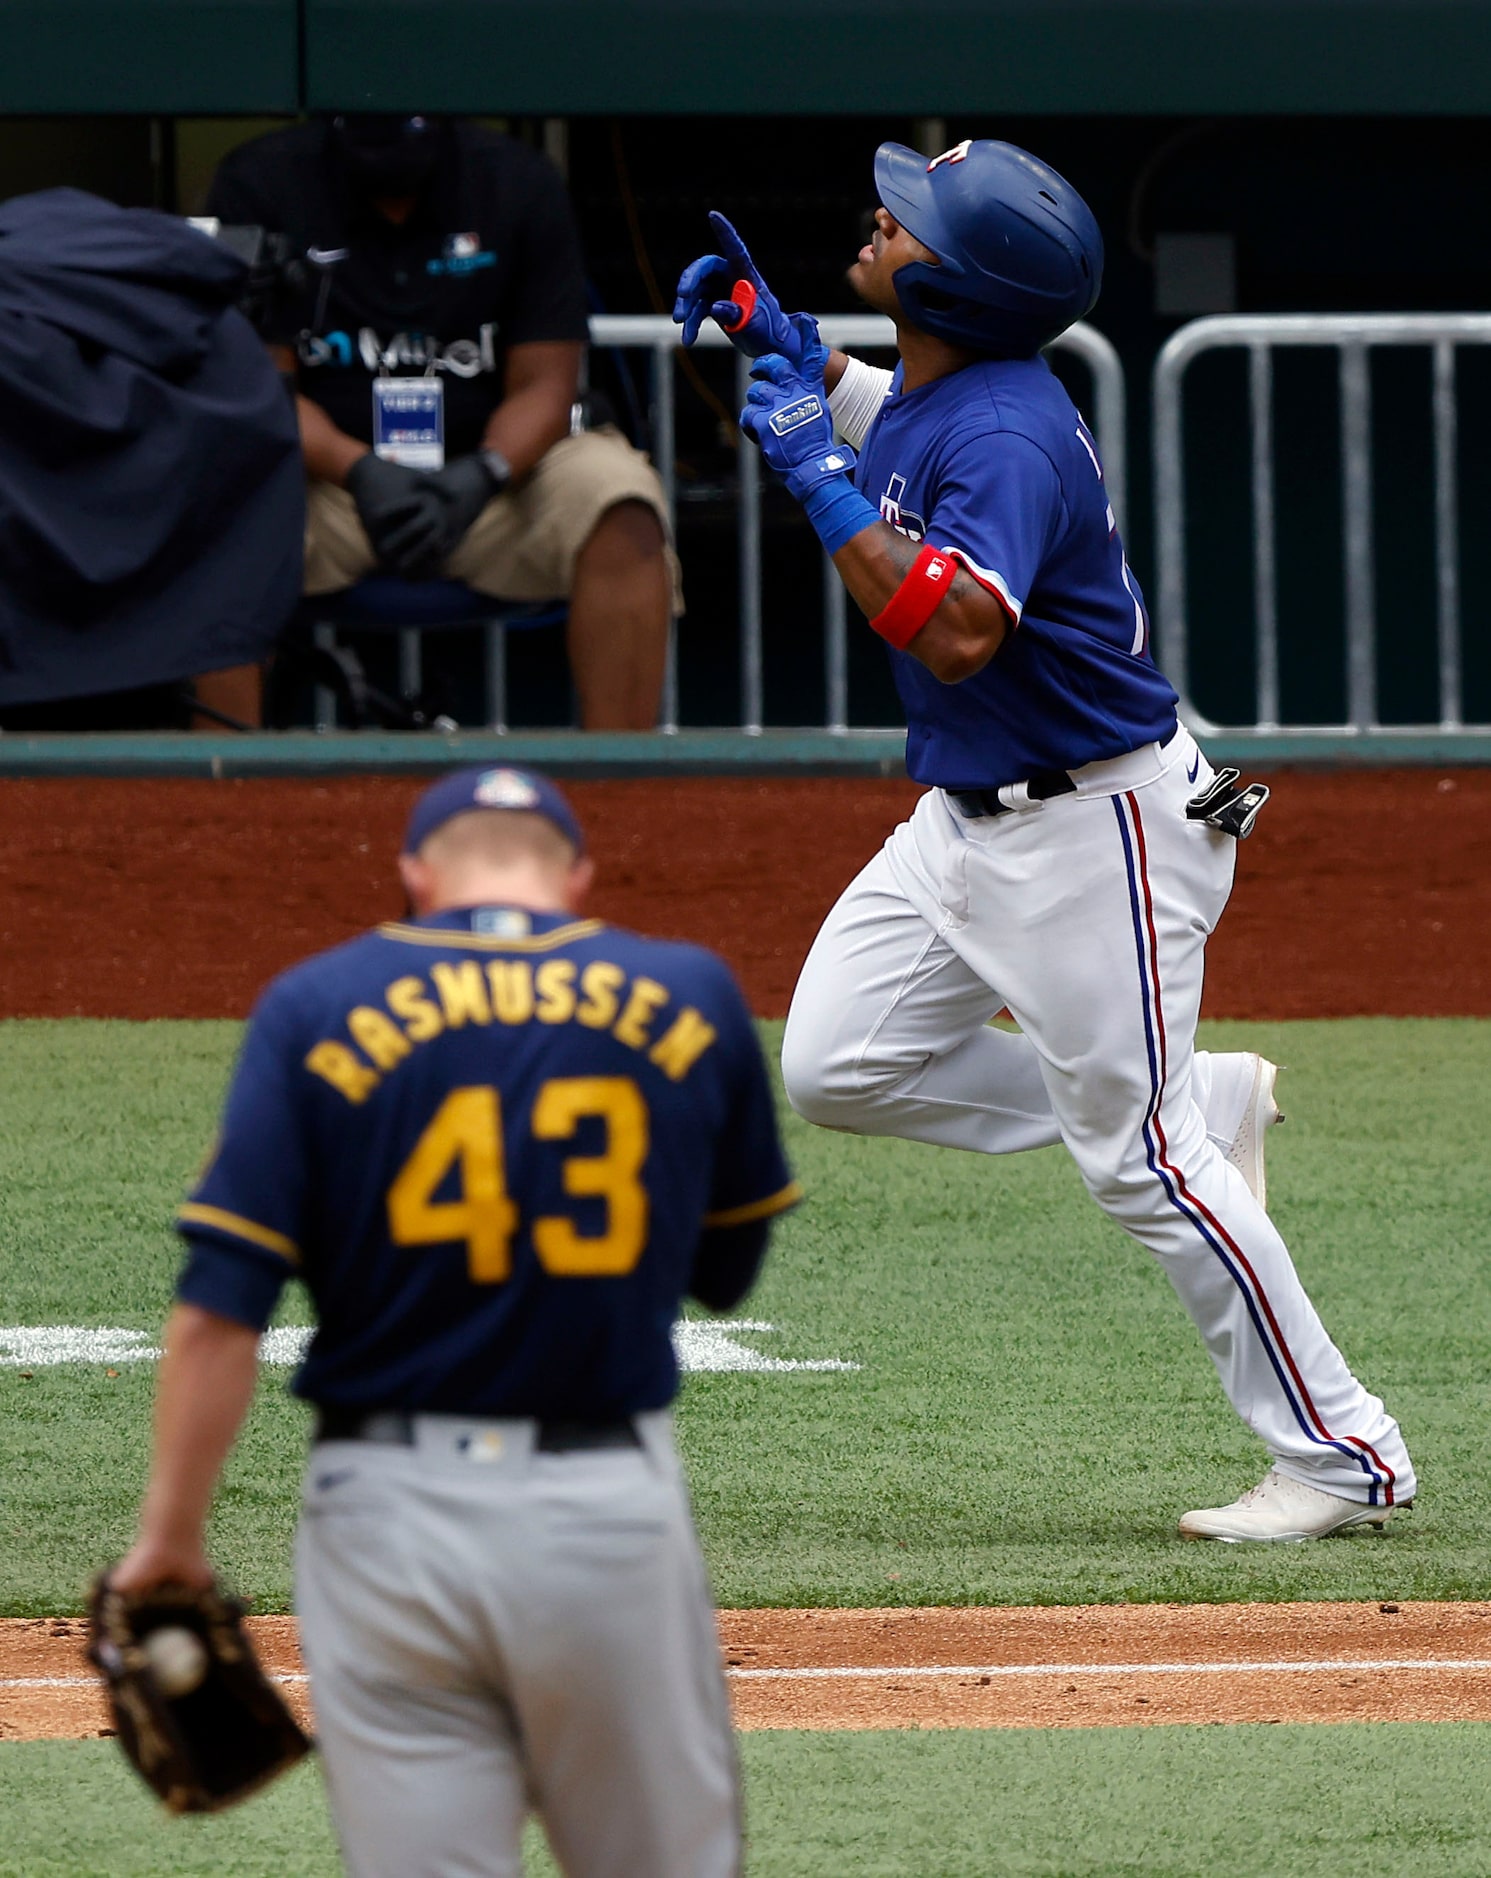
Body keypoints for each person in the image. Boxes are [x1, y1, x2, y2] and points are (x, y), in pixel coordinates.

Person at [675, 138, 1416, 1543]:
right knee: (835, 1062)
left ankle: (1342, 1453)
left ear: (948, 283)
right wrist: (791, 350)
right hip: (968, 825)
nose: (875, 219)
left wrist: (814, 478)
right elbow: (898, 422)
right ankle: (1181, 1094)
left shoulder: (1004, 433)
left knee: (1141, 1168)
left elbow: (955, 631)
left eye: (902, 223)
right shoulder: (953, 389)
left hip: (1096, 834)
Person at [111, 764, 801, 1875]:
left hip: (380, 1522)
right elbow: (728, 1269)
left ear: (416, 875)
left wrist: (170, 1543)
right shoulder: (690, 993)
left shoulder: (313, 1005)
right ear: (576, 877)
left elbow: (217, 1314)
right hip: (604, 1517)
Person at [205, 115, 676, 729]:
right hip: (326, 485)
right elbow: (260, 387)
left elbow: (547, 382)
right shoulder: (262, 180)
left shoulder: (516, 180)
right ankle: (222, 787)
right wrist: (361, 470)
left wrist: (483, 473)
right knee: (223, 507)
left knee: (621, 503)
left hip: (495, 488)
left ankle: (624, 789)